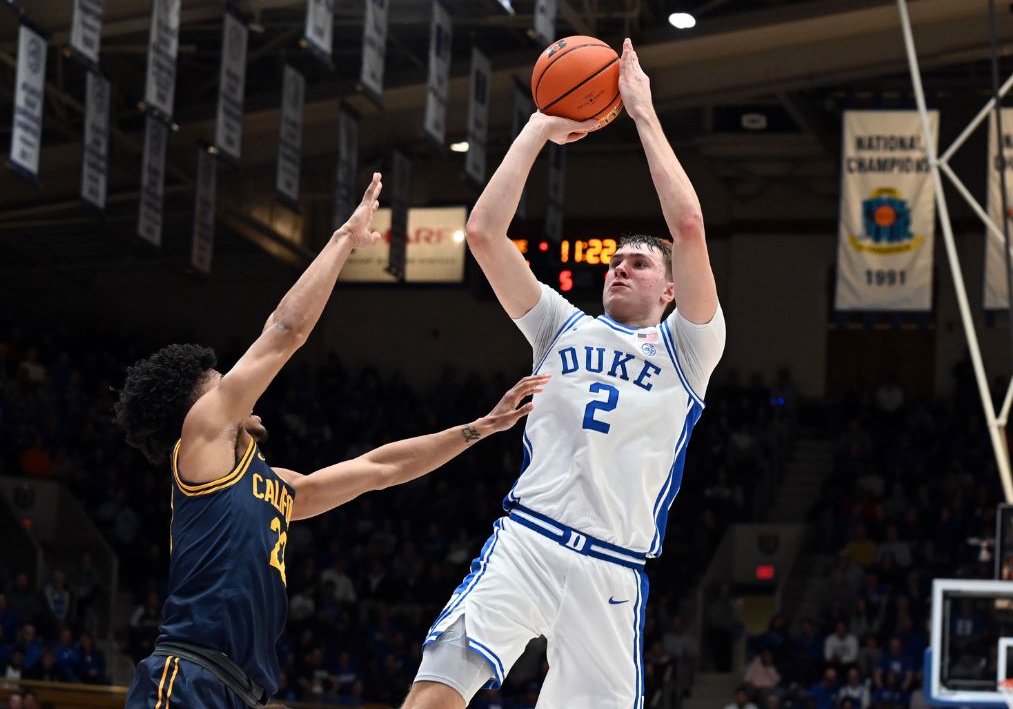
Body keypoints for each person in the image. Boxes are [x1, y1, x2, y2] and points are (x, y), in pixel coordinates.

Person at [115, 174, 547, 709]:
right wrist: (344, 237)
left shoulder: (274, 489)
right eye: (222, 382)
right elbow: (284, 332)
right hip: (188, 676)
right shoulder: (201, 440)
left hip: (240, 691)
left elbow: (380, 468)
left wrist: (476, 429)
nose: (236, 387)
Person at [403, 38, 726, 708]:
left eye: (638, 264)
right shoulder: (559, 325)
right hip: (529, 536)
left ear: (669, 290)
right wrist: (540, 125)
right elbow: (486, 235)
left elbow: (689, 224)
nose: (619, 267)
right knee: (436, 692)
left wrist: (640, 112)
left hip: (612, 570)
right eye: (614, 261)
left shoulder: (688, 351)